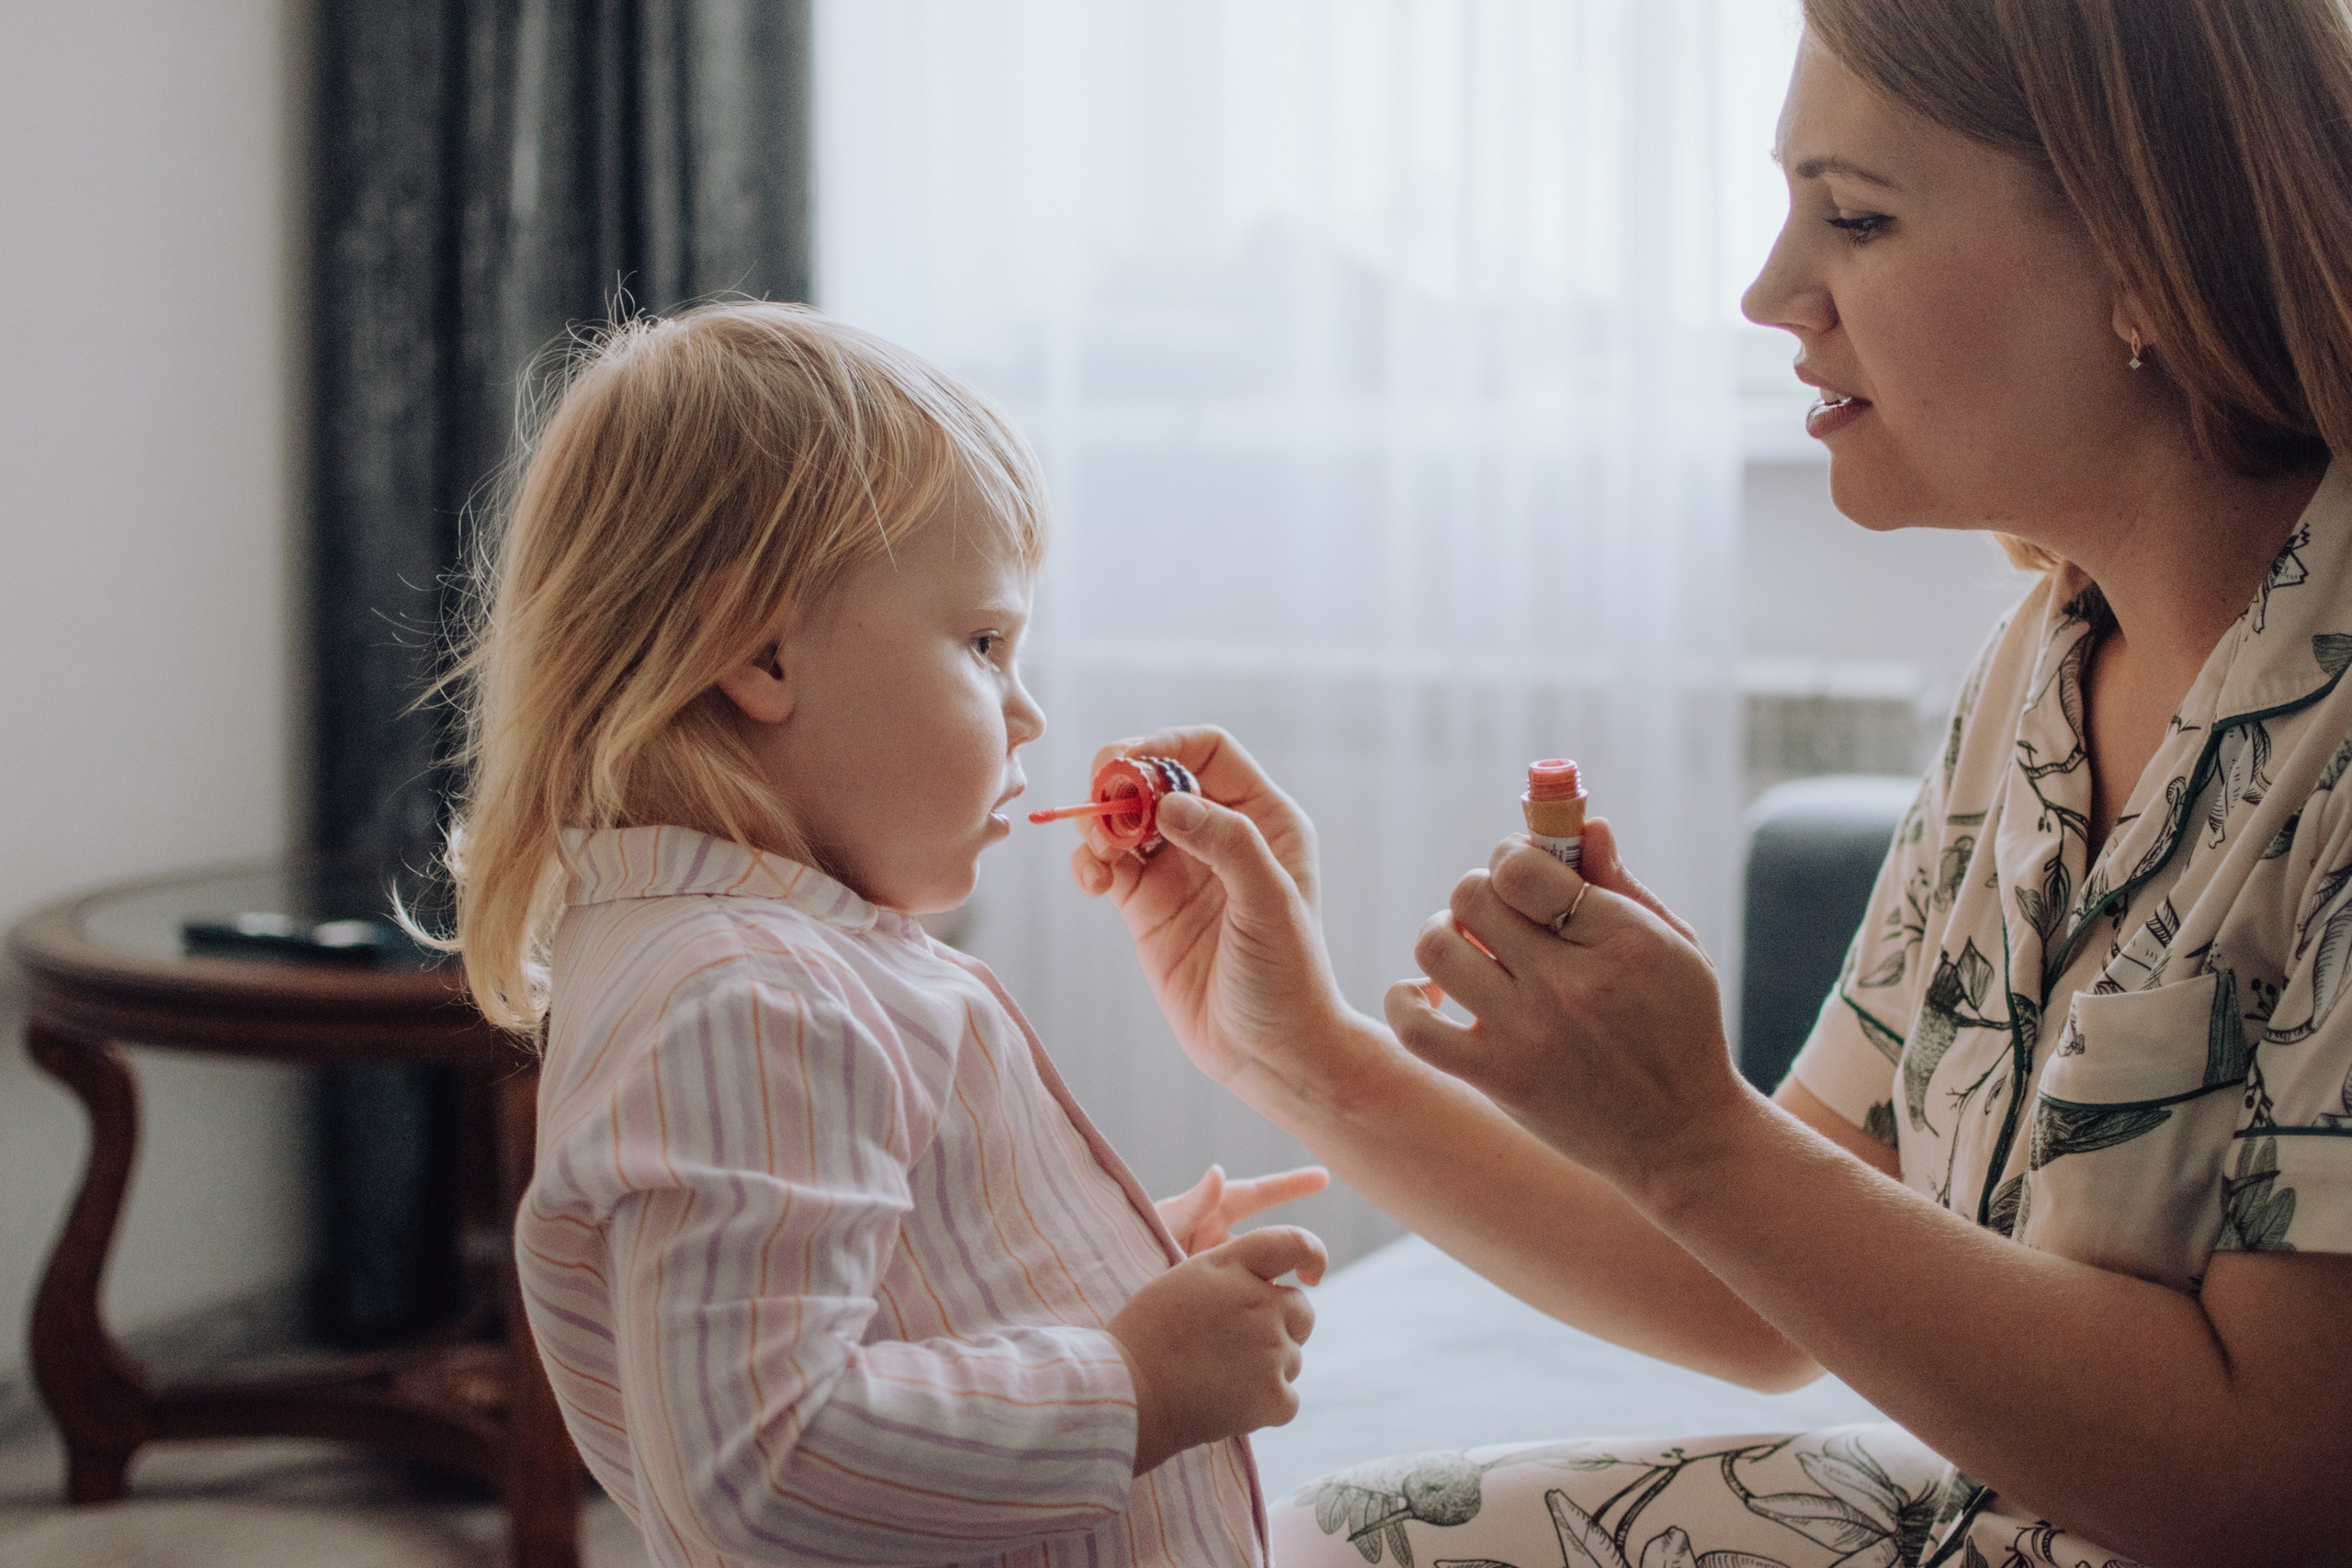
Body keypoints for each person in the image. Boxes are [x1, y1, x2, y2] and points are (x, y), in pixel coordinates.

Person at [1065, 4, 2352, 1564]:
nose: (1768, 294)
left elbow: (2283, 1487)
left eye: (1856, 217)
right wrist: (1303, 1054)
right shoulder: (2037, 674)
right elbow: (1754, 1294)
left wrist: (1692, 1135)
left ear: (2149, 254)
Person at [437, 301, 1329, 1566]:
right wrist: (1131, 1381)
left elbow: (861, 1304)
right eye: (982, 643)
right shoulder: (748, 1000)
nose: (1026, 714)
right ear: (759, 655)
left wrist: (1093, 1271)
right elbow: (764, 1467)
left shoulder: (748, 963)